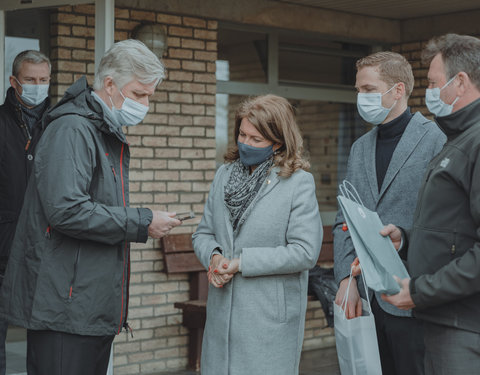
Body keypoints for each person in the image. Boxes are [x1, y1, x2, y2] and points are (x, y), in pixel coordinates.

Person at [0, 39, 181, 375]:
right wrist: (143, 221)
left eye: (149, 97)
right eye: (139, 94)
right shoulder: (73, 129)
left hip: (85, 308)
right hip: (64, 311)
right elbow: (67, 210)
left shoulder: (99, 130)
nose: (144, 104)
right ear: (109, 84)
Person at [193, 95, 322, 375]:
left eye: (256, 139)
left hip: (268, 319)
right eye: (242, 134)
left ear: (277, 141)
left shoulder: (298, 183)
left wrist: (242, 263)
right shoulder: (224, 175)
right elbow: (203, 233)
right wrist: (214, 256)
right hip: (222, 315)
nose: (245, 144)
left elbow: (305, 252)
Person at [333, 51, 445, 375]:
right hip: (364, 300)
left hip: (413, 298)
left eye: (368, 89)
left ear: (397, 90)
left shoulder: (437, 140)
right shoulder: (359, 148)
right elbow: (345, 219)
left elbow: (445, 224)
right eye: (358, 90)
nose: (360, 97)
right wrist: (345, 278)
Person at [381, 34, 480, 375]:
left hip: (463, 327)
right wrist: (405, 241)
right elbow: (456, 230)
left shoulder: (475, 142)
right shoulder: (458, 139)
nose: (430, 92)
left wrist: (421, 291)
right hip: (446, 321)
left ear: (461, 82)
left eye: (435, 83)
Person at [0, 50, 51, 375]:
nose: (37, 86)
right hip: (2, 248)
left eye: (43, 80)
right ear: (14, 82)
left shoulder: (60, 124)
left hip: (45, 250)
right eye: (30, 80)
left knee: (44, 343)